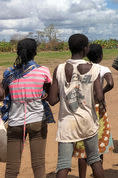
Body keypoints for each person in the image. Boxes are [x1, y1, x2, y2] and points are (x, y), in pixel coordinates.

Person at [48, 34, 105, 178]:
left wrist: (67, 93)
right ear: (85, 49)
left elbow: (52, 100)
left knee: (63, 165)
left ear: (69, 48)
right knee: (94, 159)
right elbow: (99, 97)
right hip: (88, 120)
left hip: (66, 123)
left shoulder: (59, 69)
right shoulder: (94, 69)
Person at [1, 38, 54, 178]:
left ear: (18, 52)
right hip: (38, 120)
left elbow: (2, 95)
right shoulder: (43, 71)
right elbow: (48, 94)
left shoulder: (9, 73)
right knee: (38, 165)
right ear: (35, 52)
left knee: (12, 168)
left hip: (15, 122)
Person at [73, 44, 114, 178]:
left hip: (82, 108)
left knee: (82, 147)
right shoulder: (102, 69)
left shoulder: (81, 67)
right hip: (98, 109)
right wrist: (101, 92)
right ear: (101, 56)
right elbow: (111, 83)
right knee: (98, 145)